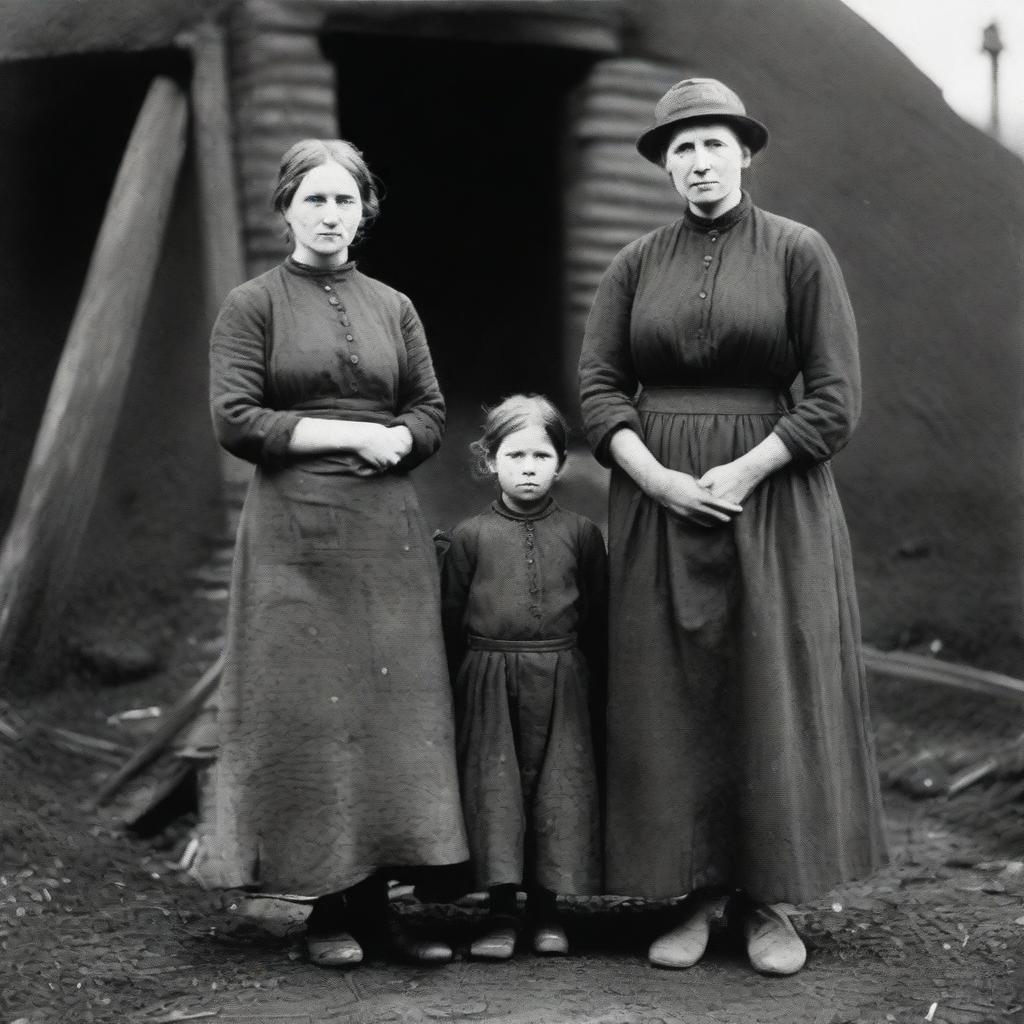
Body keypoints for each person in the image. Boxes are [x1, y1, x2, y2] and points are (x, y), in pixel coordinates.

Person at [578, 78, 887, 976]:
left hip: (774, 500)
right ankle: (696, 895)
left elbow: (835, 399)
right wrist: (659, 479)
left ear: (744, 153)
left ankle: (767, 905)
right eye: (680, 149)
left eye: (713, 144)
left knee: (765, 684)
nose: (698, 162)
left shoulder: (798, 252)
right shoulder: (635, 264)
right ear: (665, 166)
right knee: (671, 691)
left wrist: (749, 467)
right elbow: (599, 388)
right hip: (657, 500)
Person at [202, 138, 468, 967]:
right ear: (285, 209)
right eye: (312, 199)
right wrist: (355, 432)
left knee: (390, 715)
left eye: (344, 200)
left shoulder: (393, 304)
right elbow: (236, 418)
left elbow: (428, 407)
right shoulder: (253, 305)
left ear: (365, 210)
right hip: (295, 536)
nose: (329, 214)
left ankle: (381, 909)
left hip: (384, 532)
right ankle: (324, 911)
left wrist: (404, 440)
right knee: (313, 715)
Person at [440, 395, 606, 960]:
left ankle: (547, 909)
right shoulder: (468, 537)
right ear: (490, 461)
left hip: (564, 681)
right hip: (488, 680)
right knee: (497, 795)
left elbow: (599, 616)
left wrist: (596, 684)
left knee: (557, 792)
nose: (529, 467)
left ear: (561, 462)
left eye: (542, 454)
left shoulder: (583, 534)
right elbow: (449, 617)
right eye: (515, 455)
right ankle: (500, 911)